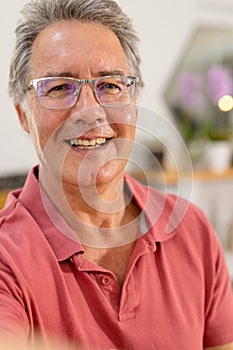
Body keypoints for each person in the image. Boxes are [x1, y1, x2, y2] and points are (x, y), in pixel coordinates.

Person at [0, 0, 233, 349]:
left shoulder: (191, 230)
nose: (90, 111)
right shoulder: (7, 257)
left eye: (110, 85)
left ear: (134, 100)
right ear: (23, 115)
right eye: (60, 88)